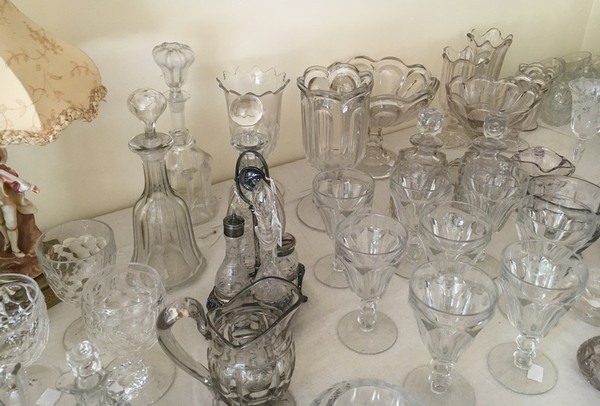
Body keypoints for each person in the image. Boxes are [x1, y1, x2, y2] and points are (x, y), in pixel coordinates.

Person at [0, 148, 38, 258]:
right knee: (0, 222)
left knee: (11, 224)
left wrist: (28, 186)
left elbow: (15, 183)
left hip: (5, 200)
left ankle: (14, 247)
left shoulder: (2, 171)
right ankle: (6, 240)